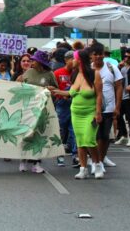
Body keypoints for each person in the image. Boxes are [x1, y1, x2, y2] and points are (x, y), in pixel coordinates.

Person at [53, 50, 103, 179]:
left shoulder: (94, 74)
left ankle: (97, 165)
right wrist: (54, 91)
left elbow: (99, 96)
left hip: (90, 113)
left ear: (79, 60)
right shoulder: (75, 74)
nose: (72, 61)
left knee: (89, 140)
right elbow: (70, 93)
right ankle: (83, 168)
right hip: (76, 112)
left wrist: (98, 113)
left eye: (74, 58)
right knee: (80, 141)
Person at [17, 50, 57, 174]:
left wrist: (52, 89)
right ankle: (23, 160)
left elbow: (56, 89)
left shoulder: (49, 74)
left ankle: (36, 162)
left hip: (42, 109)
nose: (31, 62)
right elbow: (18, 87)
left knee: (39, 135)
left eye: (33, 60)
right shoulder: (28, 72)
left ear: (40, 62)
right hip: (27, 108)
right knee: (26, 134)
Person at [89, 41, 123, 175]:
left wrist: (118, 106)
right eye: (95, 54)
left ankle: (101, 161)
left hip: (109, 108)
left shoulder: (111, 68)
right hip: (92, 108)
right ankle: (95, 161)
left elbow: (119, 86)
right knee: (94, 137)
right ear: (91, 56)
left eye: (100, 54)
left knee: (105, 137)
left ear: (104, 55)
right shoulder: (88, 69)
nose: (98, 57)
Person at [53, 50, 77, 167]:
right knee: (61, 131)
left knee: (74, 131)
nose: (74, 61)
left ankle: (75, 155)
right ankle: (60, 155)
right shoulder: (57, 73)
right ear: (66, 60)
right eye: (72, 59)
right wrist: (60, 96)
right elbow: (54, 88)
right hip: (62, 104)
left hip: (74, 103)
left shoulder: (78, 73)